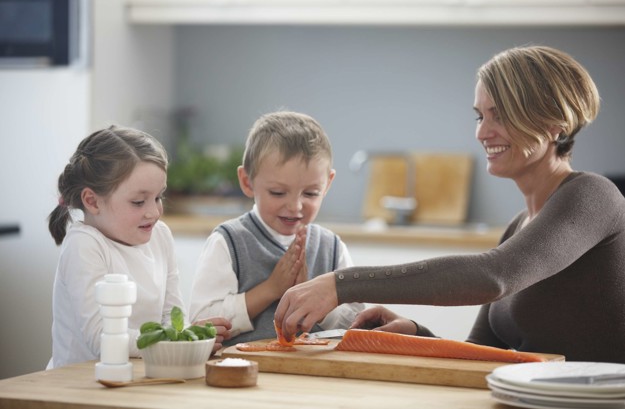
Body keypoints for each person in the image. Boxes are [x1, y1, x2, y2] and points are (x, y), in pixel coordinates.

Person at [275, 45, 625, 363]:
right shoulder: (520, 225)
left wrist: (341, 284)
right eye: (480, 115)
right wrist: (415, 332)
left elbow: (494, 275)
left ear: (553, 125)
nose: (482, 132)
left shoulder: (593, 196)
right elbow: (484, 351)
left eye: (499, 115)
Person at [47, 125, 231, 369]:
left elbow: (171, 318)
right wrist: (175, 339)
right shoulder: (84, 245)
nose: (154, 212)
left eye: (158, 197)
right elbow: (103, 339)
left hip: (137, 377)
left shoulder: (160, 236)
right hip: (75, 389)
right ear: (92, 201)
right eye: (138, 202)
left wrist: (189, 335)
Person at [189, 111, 364, 345]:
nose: (295, 206)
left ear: (328, 184)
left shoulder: (331, 247)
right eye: (278, 193)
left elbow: (356, 323)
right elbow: (203, 321)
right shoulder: (228, 241)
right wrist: (271, 289)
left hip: (318, 372)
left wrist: (315, 298)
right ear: (247, 182)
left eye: (310, 193)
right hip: (246, 372)